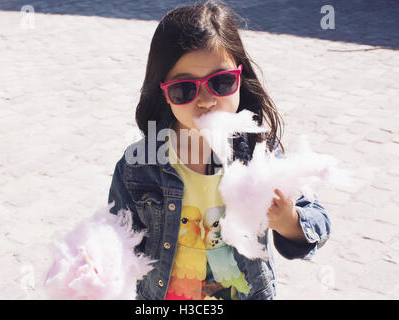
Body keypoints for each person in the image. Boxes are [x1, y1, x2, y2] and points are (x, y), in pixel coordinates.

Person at [108, 0, 331, 300]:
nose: (206, 100)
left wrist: (288, 220)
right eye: (184, 89)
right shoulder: (137, 167)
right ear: (163, 92)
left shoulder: (259, 154)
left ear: (240, 78)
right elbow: (118, 239)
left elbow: (318, 221)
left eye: (222, 82)